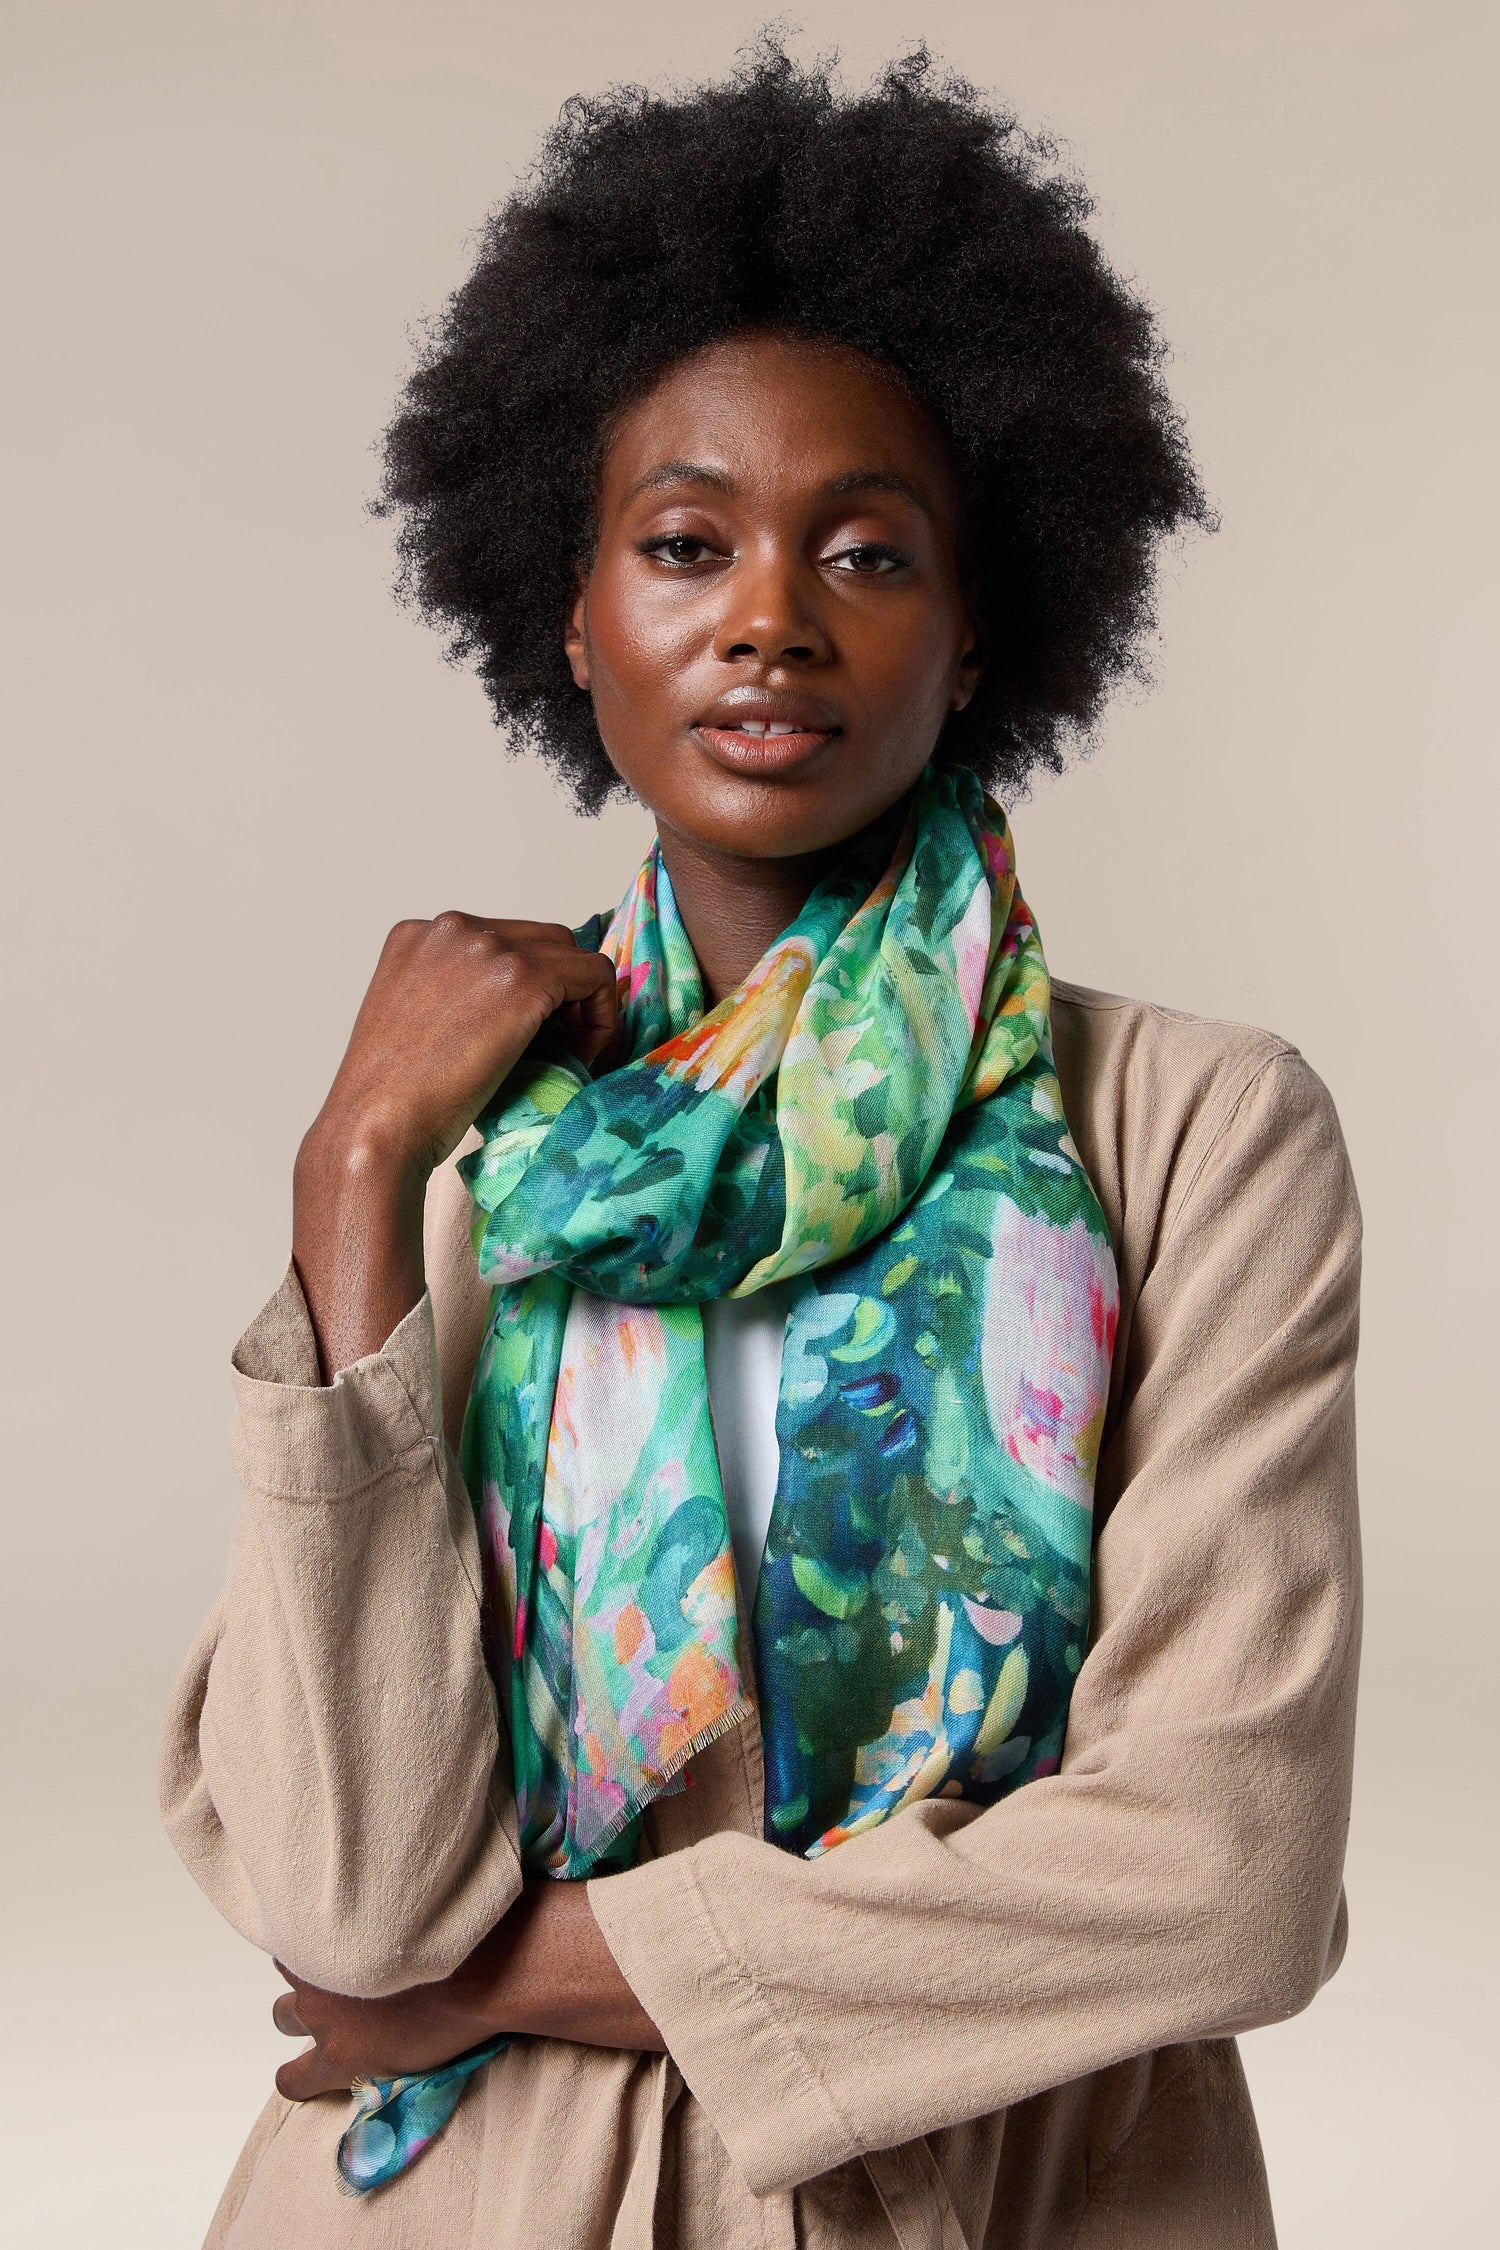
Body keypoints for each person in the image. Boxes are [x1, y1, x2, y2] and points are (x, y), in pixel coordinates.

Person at [161, 44, 1361, 2249]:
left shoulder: (1193, 1133)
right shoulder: (466, 1154)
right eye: (688, 542)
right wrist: (347, 1186)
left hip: (1013, 2193)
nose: (771, 616)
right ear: (572, 608)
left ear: (981, 619)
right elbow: (343, 1882)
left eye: (867, 550)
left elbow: (1225, 1875)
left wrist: (509, 1976)